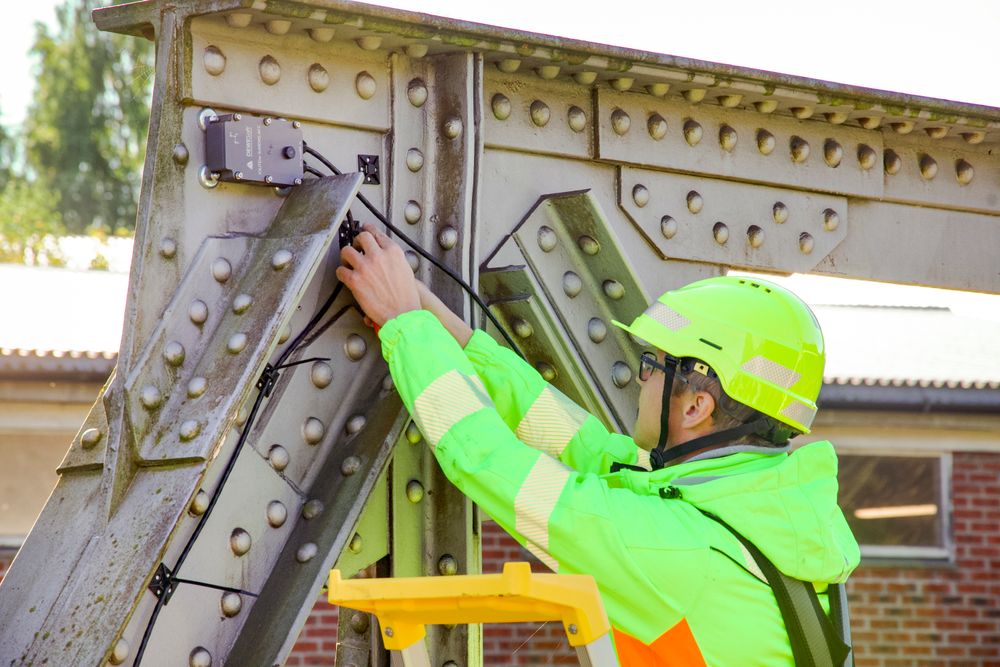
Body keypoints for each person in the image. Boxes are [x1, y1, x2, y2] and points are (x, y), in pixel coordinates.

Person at [336, 225, 860, 665]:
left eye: (653, 365)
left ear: (695, 406)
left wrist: (406, 329)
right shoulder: (760, 507)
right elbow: (580, 443)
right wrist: (430, 321)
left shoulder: (676, 547)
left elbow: (487, 460)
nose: (641, 378)